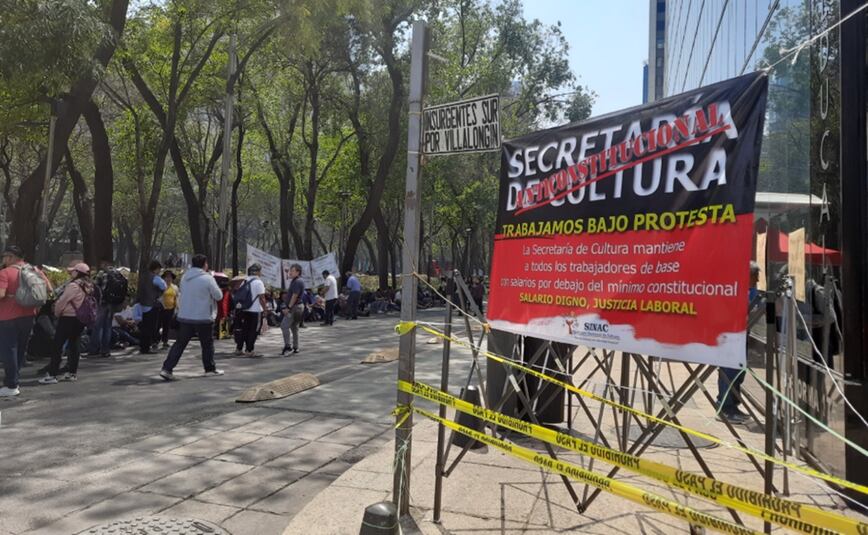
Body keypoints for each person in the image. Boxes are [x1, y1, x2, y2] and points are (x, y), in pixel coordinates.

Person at [160, 254, 224, 380]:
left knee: (180, 343)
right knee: (207, 344)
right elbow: (218, 296)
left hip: (185, 316)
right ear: (204, 264)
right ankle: (209, 369)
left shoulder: (185, 277)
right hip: (203, 316)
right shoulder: (208, 278)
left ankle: (167, 368)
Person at [0, 246, 51, 397]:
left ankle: (11, 384)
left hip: (7, 316)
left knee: (9, 350)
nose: (3, 260)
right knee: (20, 349)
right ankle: (14, 380)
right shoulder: (35, 270)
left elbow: (1, 294)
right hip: (29, 315)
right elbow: (48, 288)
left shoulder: (5, 272)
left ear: (10, 257)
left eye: (4, 257)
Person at [716, 261, 760, 423]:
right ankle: (725, 408)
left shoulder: (751, 290)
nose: (757, 280)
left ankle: (732, 405)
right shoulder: (735, 289)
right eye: (755, 276)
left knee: (739, 373)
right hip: (731, 337)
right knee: (730, 373)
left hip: (743, 336)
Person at [40, 263, 95, 384]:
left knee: (57, 345)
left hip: (68, 318)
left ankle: (52, 374)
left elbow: (62, 301)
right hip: (81, 319)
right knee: (74, 344)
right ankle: (72, 373)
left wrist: (57, 313)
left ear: (78, 272)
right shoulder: (89, 285)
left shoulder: (74, 286)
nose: (71, 273)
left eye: (73, 271)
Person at [88, 259, 128, 358]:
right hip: (113, 303)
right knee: (108, 326)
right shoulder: (118, 274)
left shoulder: (102, 273)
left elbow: (94, 288)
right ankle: (105, 350)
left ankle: (94, 349)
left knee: (98, 326)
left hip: (102, 303)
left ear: (103, 263)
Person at [235, 264, 267, 357]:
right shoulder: (258, 282)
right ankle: (249, 350)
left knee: (244, 329)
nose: (261, 273)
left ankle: (239, 348)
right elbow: (262, 298)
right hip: (255, 311)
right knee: (254, 331)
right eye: (260, 271)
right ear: (256, 272)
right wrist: (265, 310)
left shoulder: (244, 281)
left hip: (244, 310)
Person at [137, 260, 166, 354]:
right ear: (156, 269)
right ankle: (147, 347)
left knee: (145, 327)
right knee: (150, 327)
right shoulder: (155, 278)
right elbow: (163, 286)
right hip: (152, 304)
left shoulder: (143, 276)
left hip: (143, 303)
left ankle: (143, 347)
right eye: (159, 269)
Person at [282, 263, 305, 354]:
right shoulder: (296, 280)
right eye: (290, 270)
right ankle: (296, 347)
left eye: (292, 271)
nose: (290, 272)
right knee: (294, 327)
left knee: (284, 326)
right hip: (297, 307)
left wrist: (288, 307)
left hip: (294, 307)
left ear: (298, 272)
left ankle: (288, 346)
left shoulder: (297, 281)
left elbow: (294, 296)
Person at [159, 270, 178, 348]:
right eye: (166, 277)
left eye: (170, 277)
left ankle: (165, 341)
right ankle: (155, 341)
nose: (168, 279)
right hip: (161, 308)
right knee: (158, 324)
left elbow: (176, 297)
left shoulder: (175, 287)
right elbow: (159, 297)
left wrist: (176, 307)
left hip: (171, 308)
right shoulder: (161, 286)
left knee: (167, 325)